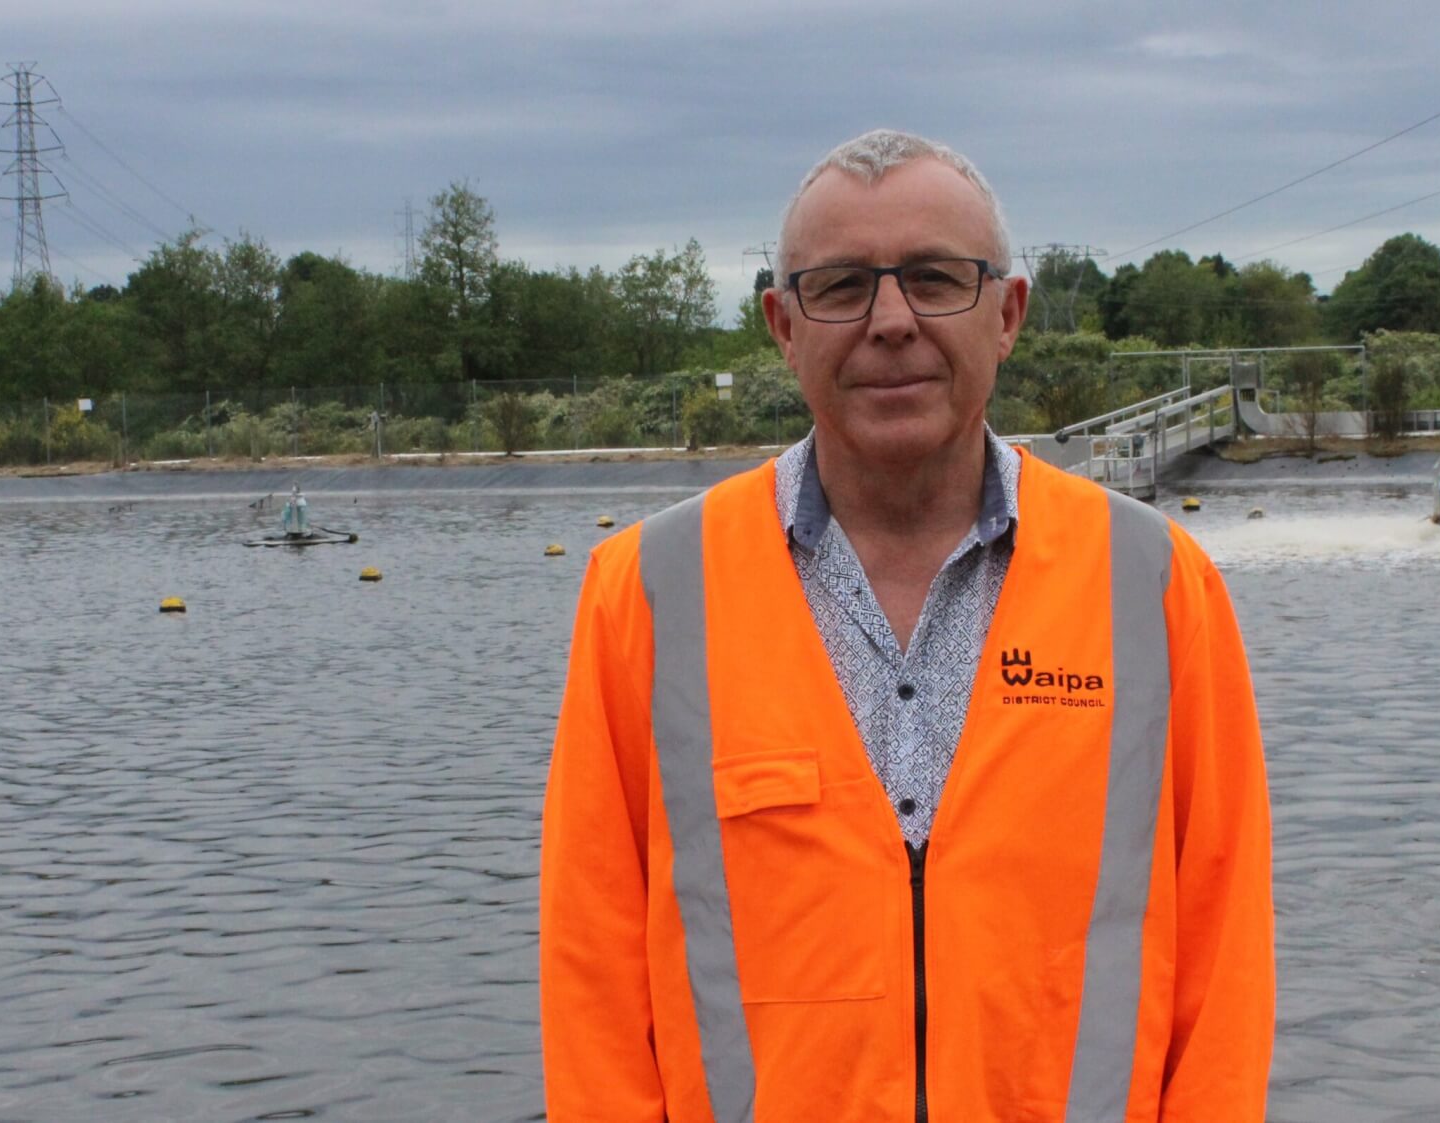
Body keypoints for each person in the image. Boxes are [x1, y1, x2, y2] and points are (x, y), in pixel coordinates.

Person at [539, 129, 1274, 1121]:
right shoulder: (646, 594)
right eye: (840, 286)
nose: (891, 321)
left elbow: (1224, 970)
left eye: (935, 278)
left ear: (1008, 313)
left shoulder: (1155, 585)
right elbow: (591, 982)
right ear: (782, 324)